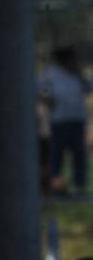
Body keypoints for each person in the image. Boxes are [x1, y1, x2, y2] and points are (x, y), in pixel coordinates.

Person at [39, 47, 90, 196]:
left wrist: (79, 75)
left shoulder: (77, 74)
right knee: (57, 154)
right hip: (59, 120)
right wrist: (47, 100)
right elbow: (38, 89)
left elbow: (88, 88)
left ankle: (79, 185)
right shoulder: (51, 73)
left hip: (77, 119)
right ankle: (56, 185)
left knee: (78, 154)